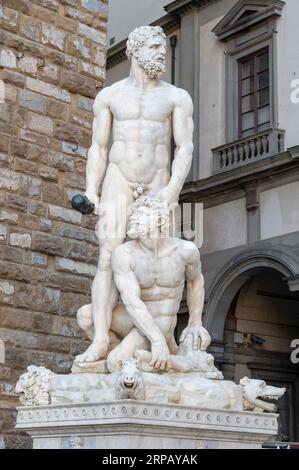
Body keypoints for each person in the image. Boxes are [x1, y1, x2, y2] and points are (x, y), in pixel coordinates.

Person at [75, 25, 194, 363]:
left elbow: (185, 148)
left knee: (157, 257)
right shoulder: (110, 96)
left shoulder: (176, 96)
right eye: (156, 46)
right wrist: (91, 191)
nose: (162, 52)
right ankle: (100, 339)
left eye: (163, 48)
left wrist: (172, 191)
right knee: (108, 258)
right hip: (119, 180)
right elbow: (98, 147)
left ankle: (157, 338)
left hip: (158, 185)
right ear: (136, 50)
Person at [77, 197, 211, 372]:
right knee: (85, 316)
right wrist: (156, 340)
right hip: (135, 317)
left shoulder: (185, 251)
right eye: (133, 214)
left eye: (140, 214)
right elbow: (131, 300)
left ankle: (160, 361)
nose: (133, 217)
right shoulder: (124, 253)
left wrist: (195, 322)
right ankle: (125, 352)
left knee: (115, 363)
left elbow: (195, 282)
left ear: (157, 220)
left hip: (162, 320)